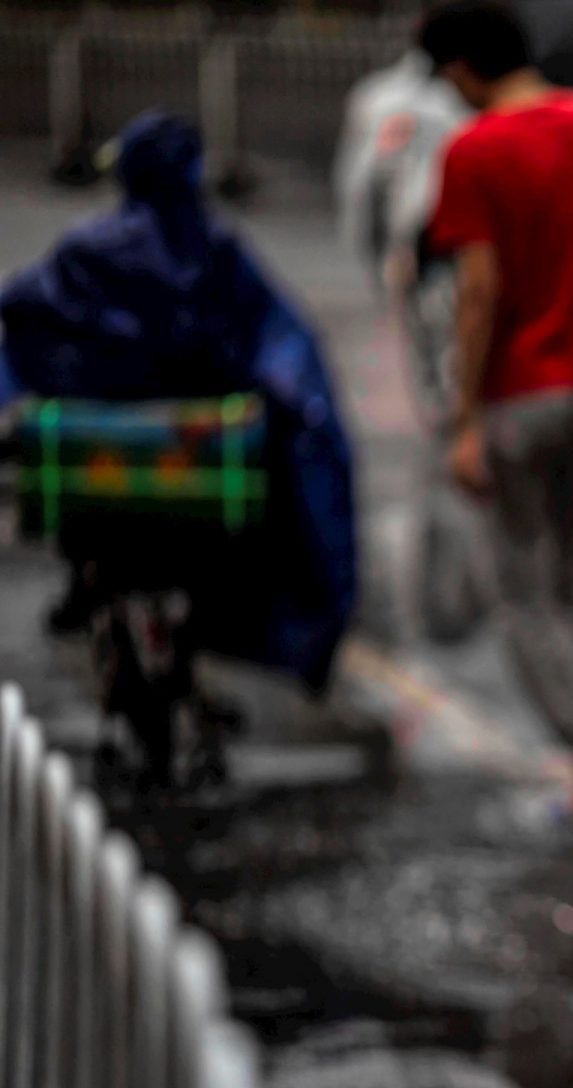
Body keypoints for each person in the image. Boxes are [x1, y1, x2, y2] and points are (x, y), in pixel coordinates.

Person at [0, 110, 357, 690]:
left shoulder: (89, 247)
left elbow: (26, 311)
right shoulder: (214, 249)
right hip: (203, 460)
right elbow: (281, 346)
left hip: (101, 461)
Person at [418, 0, 573, 822]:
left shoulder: (473, 149)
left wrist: (461, 419)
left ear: (462, 66)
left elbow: (478, 291)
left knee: (524, 591)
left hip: (521, 396)